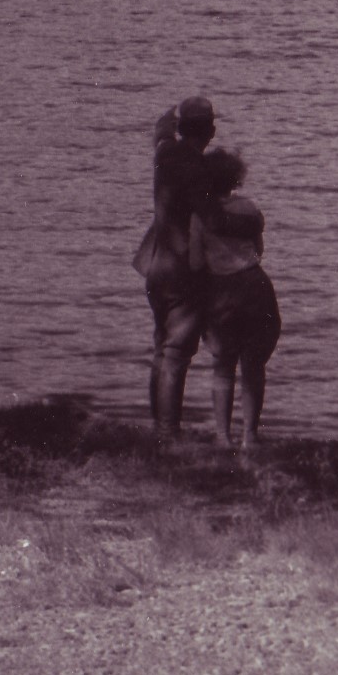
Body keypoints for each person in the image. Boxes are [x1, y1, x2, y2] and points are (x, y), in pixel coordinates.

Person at [132, 95, 215, 439]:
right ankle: (168, 432)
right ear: (210, 131)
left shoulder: (165, 153)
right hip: (182, 268)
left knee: (161, 346)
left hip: (156, 265)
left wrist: (169, 114)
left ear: (182, 128)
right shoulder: (197, 168)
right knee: (177, 351)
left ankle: (159, 426)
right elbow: (210, 216)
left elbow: (161, 131)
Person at [191, 146, 280, 456]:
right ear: (236, 179)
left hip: (222, 289)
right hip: (256, 285)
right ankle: (251, 436)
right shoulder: (250, 208)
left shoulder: (201, 216)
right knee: (254, 365)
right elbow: (258, 250)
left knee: (223, 366)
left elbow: (194, 261)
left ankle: (222, 436)